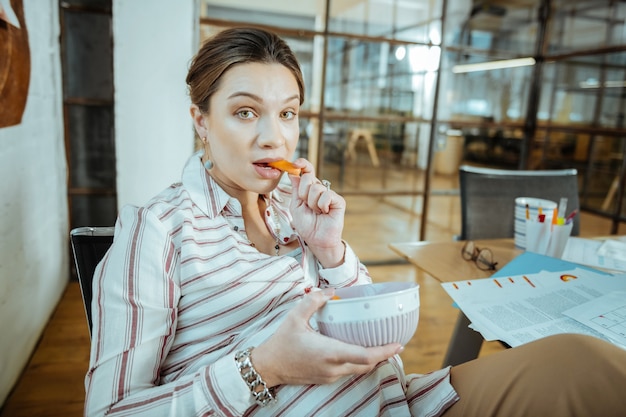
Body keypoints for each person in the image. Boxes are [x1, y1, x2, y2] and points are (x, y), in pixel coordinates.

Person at [84, 27, 626, 417]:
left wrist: (332, 253)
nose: (274, 137)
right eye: (245, 111)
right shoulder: (156, 229)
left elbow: (374, 333)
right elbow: (110, 411)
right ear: (201, 121)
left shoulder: (294, 214)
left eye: (289, 112)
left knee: (586, 363)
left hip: (403, 401)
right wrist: (263, 368)